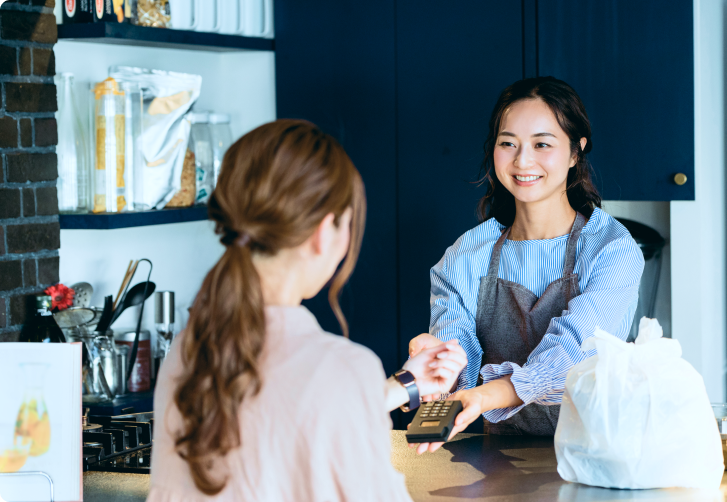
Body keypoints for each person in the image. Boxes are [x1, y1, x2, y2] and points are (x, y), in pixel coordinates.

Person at [147, 120, 467, 501]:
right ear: (322, 231)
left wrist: (405, 385)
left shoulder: (187, 352)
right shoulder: (342, 368)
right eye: (347, 223)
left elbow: (279, 417)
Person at [409, 76, 644, 453]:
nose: (522, 161)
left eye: (541, 144)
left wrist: (488, 397)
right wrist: (442, 362)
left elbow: (573, 356)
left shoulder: (610, 250)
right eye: (508, 144)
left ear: (575, 152)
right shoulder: (466, 255)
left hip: (597, 460)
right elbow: (460, 351)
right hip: (495, 461)